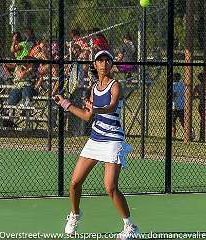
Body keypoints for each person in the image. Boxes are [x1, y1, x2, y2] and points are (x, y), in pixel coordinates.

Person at [54, 50, 139, 239]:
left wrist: (95, 109)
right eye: (100, 60)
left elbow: (110, 106)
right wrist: (65, 104)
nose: (104, 63)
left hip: (113, 140)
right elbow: (86, 115)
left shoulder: (115, 85)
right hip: (95, 139)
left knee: (110, 186)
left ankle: (130, 227)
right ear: (95, 65)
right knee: (75, 183)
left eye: (107, 60)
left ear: (111, 64)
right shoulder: (93, 88)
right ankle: (75, 215)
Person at [172, 73, 185, 138]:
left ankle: (173, 135)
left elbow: (173, 95)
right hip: (182, 105)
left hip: (174, 106)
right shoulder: (182, 85)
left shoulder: (173, 85)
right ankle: (187, 134)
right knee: (182, 121)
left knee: (173, 121)